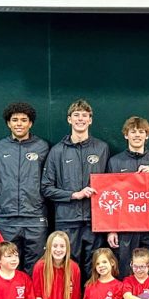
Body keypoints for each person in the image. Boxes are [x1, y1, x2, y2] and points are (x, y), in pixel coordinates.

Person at [41, 99, 110, 272]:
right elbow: (46, 188)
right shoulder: (57, 151)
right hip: (67, 220)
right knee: (68, 267)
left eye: (85, 115)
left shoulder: (102, 148)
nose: (80, 119)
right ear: (69, 119)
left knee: (95, 266)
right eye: (76, 115)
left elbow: (112, 183)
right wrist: (74, 195)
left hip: (95, 220)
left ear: (90, 120)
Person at [0, 102, 51, 275]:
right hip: (6, 218)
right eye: (14, 120)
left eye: (24, 120)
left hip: (35, 216)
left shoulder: (42, 146)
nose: (19, 124)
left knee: (36, 267)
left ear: (30, 123)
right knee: (8, 265)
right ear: (8, 123)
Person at [106, 116, 149, 275]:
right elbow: (108, 196)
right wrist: (111, 229)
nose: (137, 135)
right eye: (133, 131)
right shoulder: (115, 162)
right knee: (126, 269)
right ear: (126, 135)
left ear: (147, 135)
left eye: (141, 131)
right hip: (125, 227)